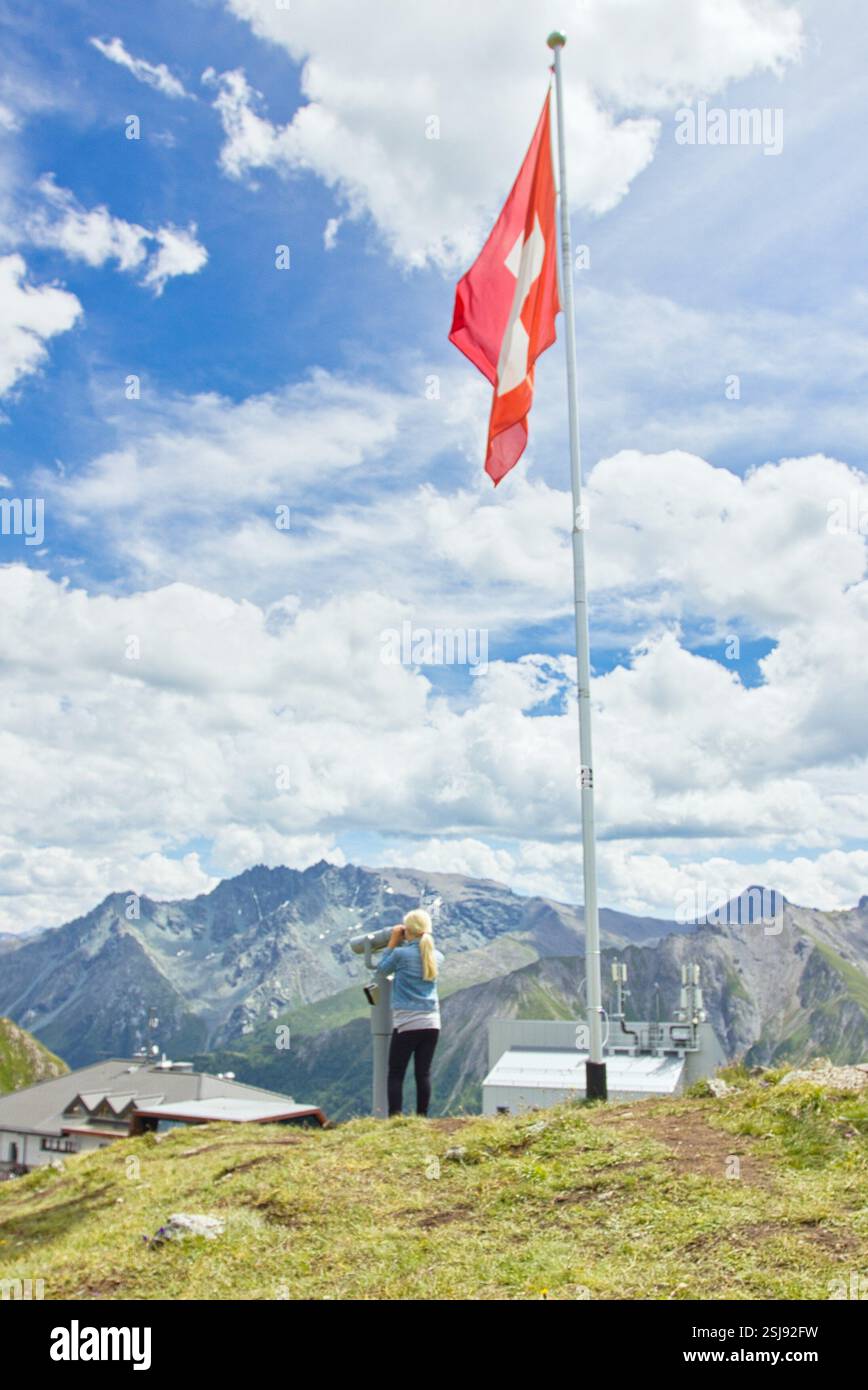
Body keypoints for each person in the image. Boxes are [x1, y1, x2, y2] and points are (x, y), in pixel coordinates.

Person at [375, 908, 444, 1117]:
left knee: (396, 1073)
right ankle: (422, 1117)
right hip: (432, 1022)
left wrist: (393, 940)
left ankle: (395, 1117)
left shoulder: (400, 954)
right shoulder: (437, 956)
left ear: (408, 931)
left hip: (407, 1023)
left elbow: (381, 970)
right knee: (423, 1073)